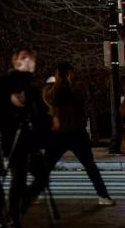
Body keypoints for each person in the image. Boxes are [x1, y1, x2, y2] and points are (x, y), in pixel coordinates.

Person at [0, 48, 51, 228]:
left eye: (31, 59)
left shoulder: (32, 87)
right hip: (12, 138)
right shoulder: (5, 84)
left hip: (30, 140)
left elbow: (39, 114)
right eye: (23, 58)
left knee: (42, 175)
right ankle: (14, 220)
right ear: (15, 62)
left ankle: (19, 207)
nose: (28, 62)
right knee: (18, 179)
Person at [40, 62, 115, 207]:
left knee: (90, 166)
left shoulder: (77, 86)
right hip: (59, 134)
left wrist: (65, 83)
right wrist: (59, 83)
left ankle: (103, 195)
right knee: (46, 166)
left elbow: (79, 98)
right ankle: (34, 192)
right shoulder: (52, 88)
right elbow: (53, 100)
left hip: (77, 133)